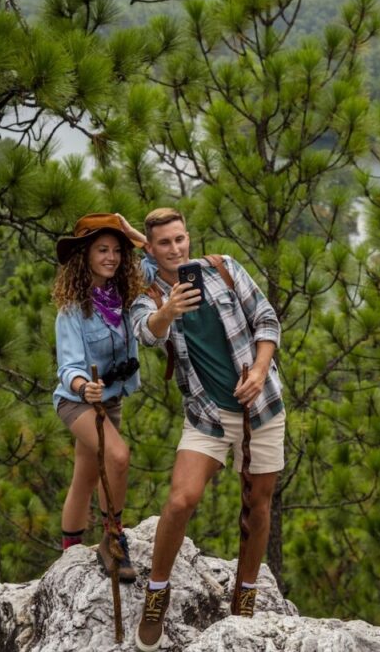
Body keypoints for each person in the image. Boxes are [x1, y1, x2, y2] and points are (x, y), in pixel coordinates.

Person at [128, 207, 286, 651]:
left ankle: (245, 597)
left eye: (180, 239)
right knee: (181, 500)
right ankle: (156, 594)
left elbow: (267, 320)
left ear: (189, 237)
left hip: (263, 406)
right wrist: (168, 310)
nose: (175, 248)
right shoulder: (149, 292)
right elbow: (146, 333)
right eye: (164, 242)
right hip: (207, 415)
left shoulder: (225, 269)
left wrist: (258, 370)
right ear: (151, 248)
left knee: (259, 504)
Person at [52, 213, 149, 583]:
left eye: (116, 250)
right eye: (102, 250)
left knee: (86, 475)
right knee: (118, 457)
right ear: (85, 256)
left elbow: (162, 260)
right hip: (77, 401)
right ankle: (113, 539)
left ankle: (69, 552)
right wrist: (83, 386)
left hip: (109, 401)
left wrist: (134, 234)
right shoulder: (72, 310)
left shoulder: (125, 298)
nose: (111, 257)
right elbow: (69, 367)